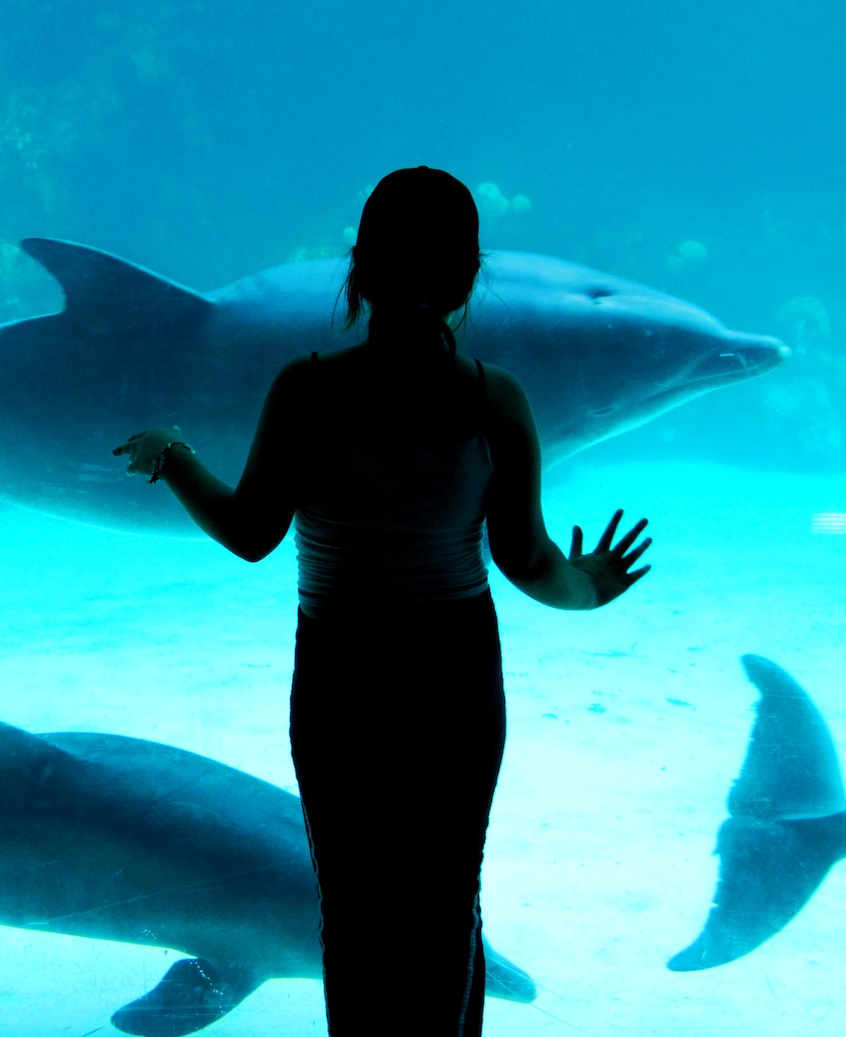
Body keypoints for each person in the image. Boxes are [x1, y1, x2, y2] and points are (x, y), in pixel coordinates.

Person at [113, 166, 650, 1036]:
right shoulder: (494, 398)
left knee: (354, 907)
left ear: (357, 268)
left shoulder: (306, 388)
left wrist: (172, 456)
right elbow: (527, 561)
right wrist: (588, 589)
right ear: (469, 279)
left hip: (342, 675)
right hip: (454, 674)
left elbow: (250, 532)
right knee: (448, 897)